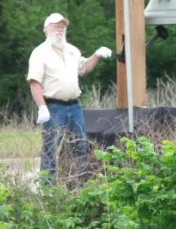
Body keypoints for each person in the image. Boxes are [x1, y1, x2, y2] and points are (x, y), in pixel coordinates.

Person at [27, 13, 112, 185]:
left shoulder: (72, 50)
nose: (60, 29)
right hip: (54, 107)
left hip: (75, 107)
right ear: (46, 29)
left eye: (63, 26)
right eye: (56, 26)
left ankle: (81, 184)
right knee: (51, 148)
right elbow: (34, 82)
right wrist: (42, 107)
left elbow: (84, 68)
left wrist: (97, 55)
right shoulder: (39, 53)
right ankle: (47, 188)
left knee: (80, 145)